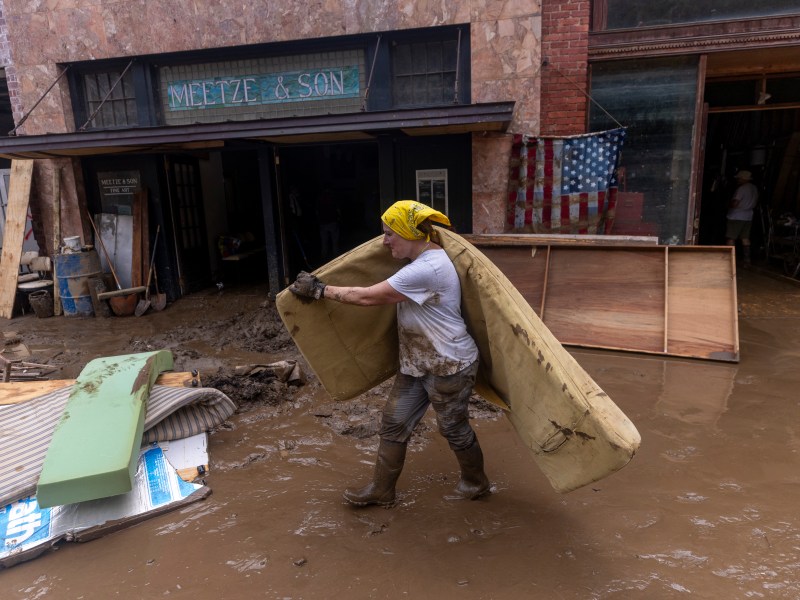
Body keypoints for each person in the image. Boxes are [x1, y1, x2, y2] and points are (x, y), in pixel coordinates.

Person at [289, 200, 490, 507]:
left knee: (453, 428)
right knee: (393, 422)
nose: (384, 242)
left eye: (389, 234)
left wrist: (320, 290)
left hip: (449, 365)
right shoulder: (421, 261)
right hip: (416, 364)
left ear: (409, 233)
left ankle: (476, 483)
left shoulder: (427, 269)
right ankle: (382, 490)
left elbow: (368, 298)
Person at [725, 170, 758, 266]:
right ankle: (747, 260)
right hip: (748, 216)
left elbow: (735, 203)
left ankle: (729, 260)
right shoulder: (754, 188)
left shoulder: (742, 189)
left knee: (731, 237)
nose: (738, 179)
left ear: (743, 179)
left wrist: (728, 205)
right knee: (745, 238)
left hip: (736, 216)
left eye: (739, 178)